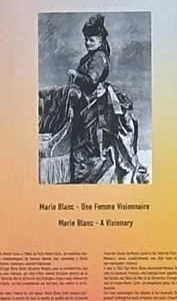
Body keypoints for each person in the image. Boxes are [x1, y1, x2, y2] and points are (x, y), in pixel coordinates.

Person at [60, 15, 147, 184]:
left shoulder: (99, 57)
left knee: (88, 143)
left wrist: (75, 75)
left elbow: (91, 81)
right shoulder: (88, 57)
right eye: (86, 39)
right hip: (85, 101)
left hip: (95, 105)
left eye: (91, 40)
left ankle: (93, 176)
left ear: (100, 40)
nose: (87, 43)